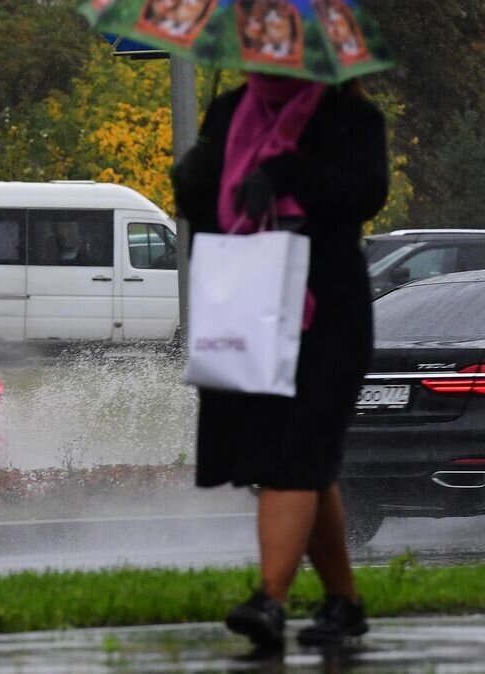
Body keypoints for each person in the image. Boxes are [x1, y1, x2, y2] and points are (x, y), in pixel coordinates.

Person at [171, 74, 389, 652]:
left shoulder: (351, 117)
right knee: (305, 462)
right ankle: (344, 603)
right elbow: (198, 202)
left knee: (294, 457)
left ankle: (269, 600)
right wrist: (199, 177)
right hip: (252, 311)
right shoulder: (230, 111)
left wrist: (290, 173)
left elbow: (366, 194)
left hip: (327, 316)